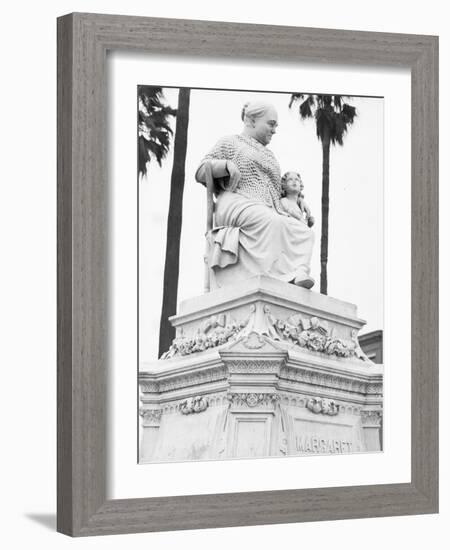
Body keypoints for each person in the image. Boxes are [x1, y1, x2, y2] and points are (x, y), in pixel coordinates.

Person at [195, 100, 315, 290]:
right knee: (271, 221)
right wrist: (225, 165)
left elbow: (278, 191)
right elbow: (202, 171)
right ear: (251, 120)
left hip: (269, 207)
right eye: (271, 124)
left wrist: (298, 200)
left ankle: (296, 273)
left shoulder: (271, 155)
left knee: (304, 232)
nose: (274, 130)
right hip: (237, 200)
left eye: (276, 125)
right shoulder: (231, 142)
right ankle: (276, 278)